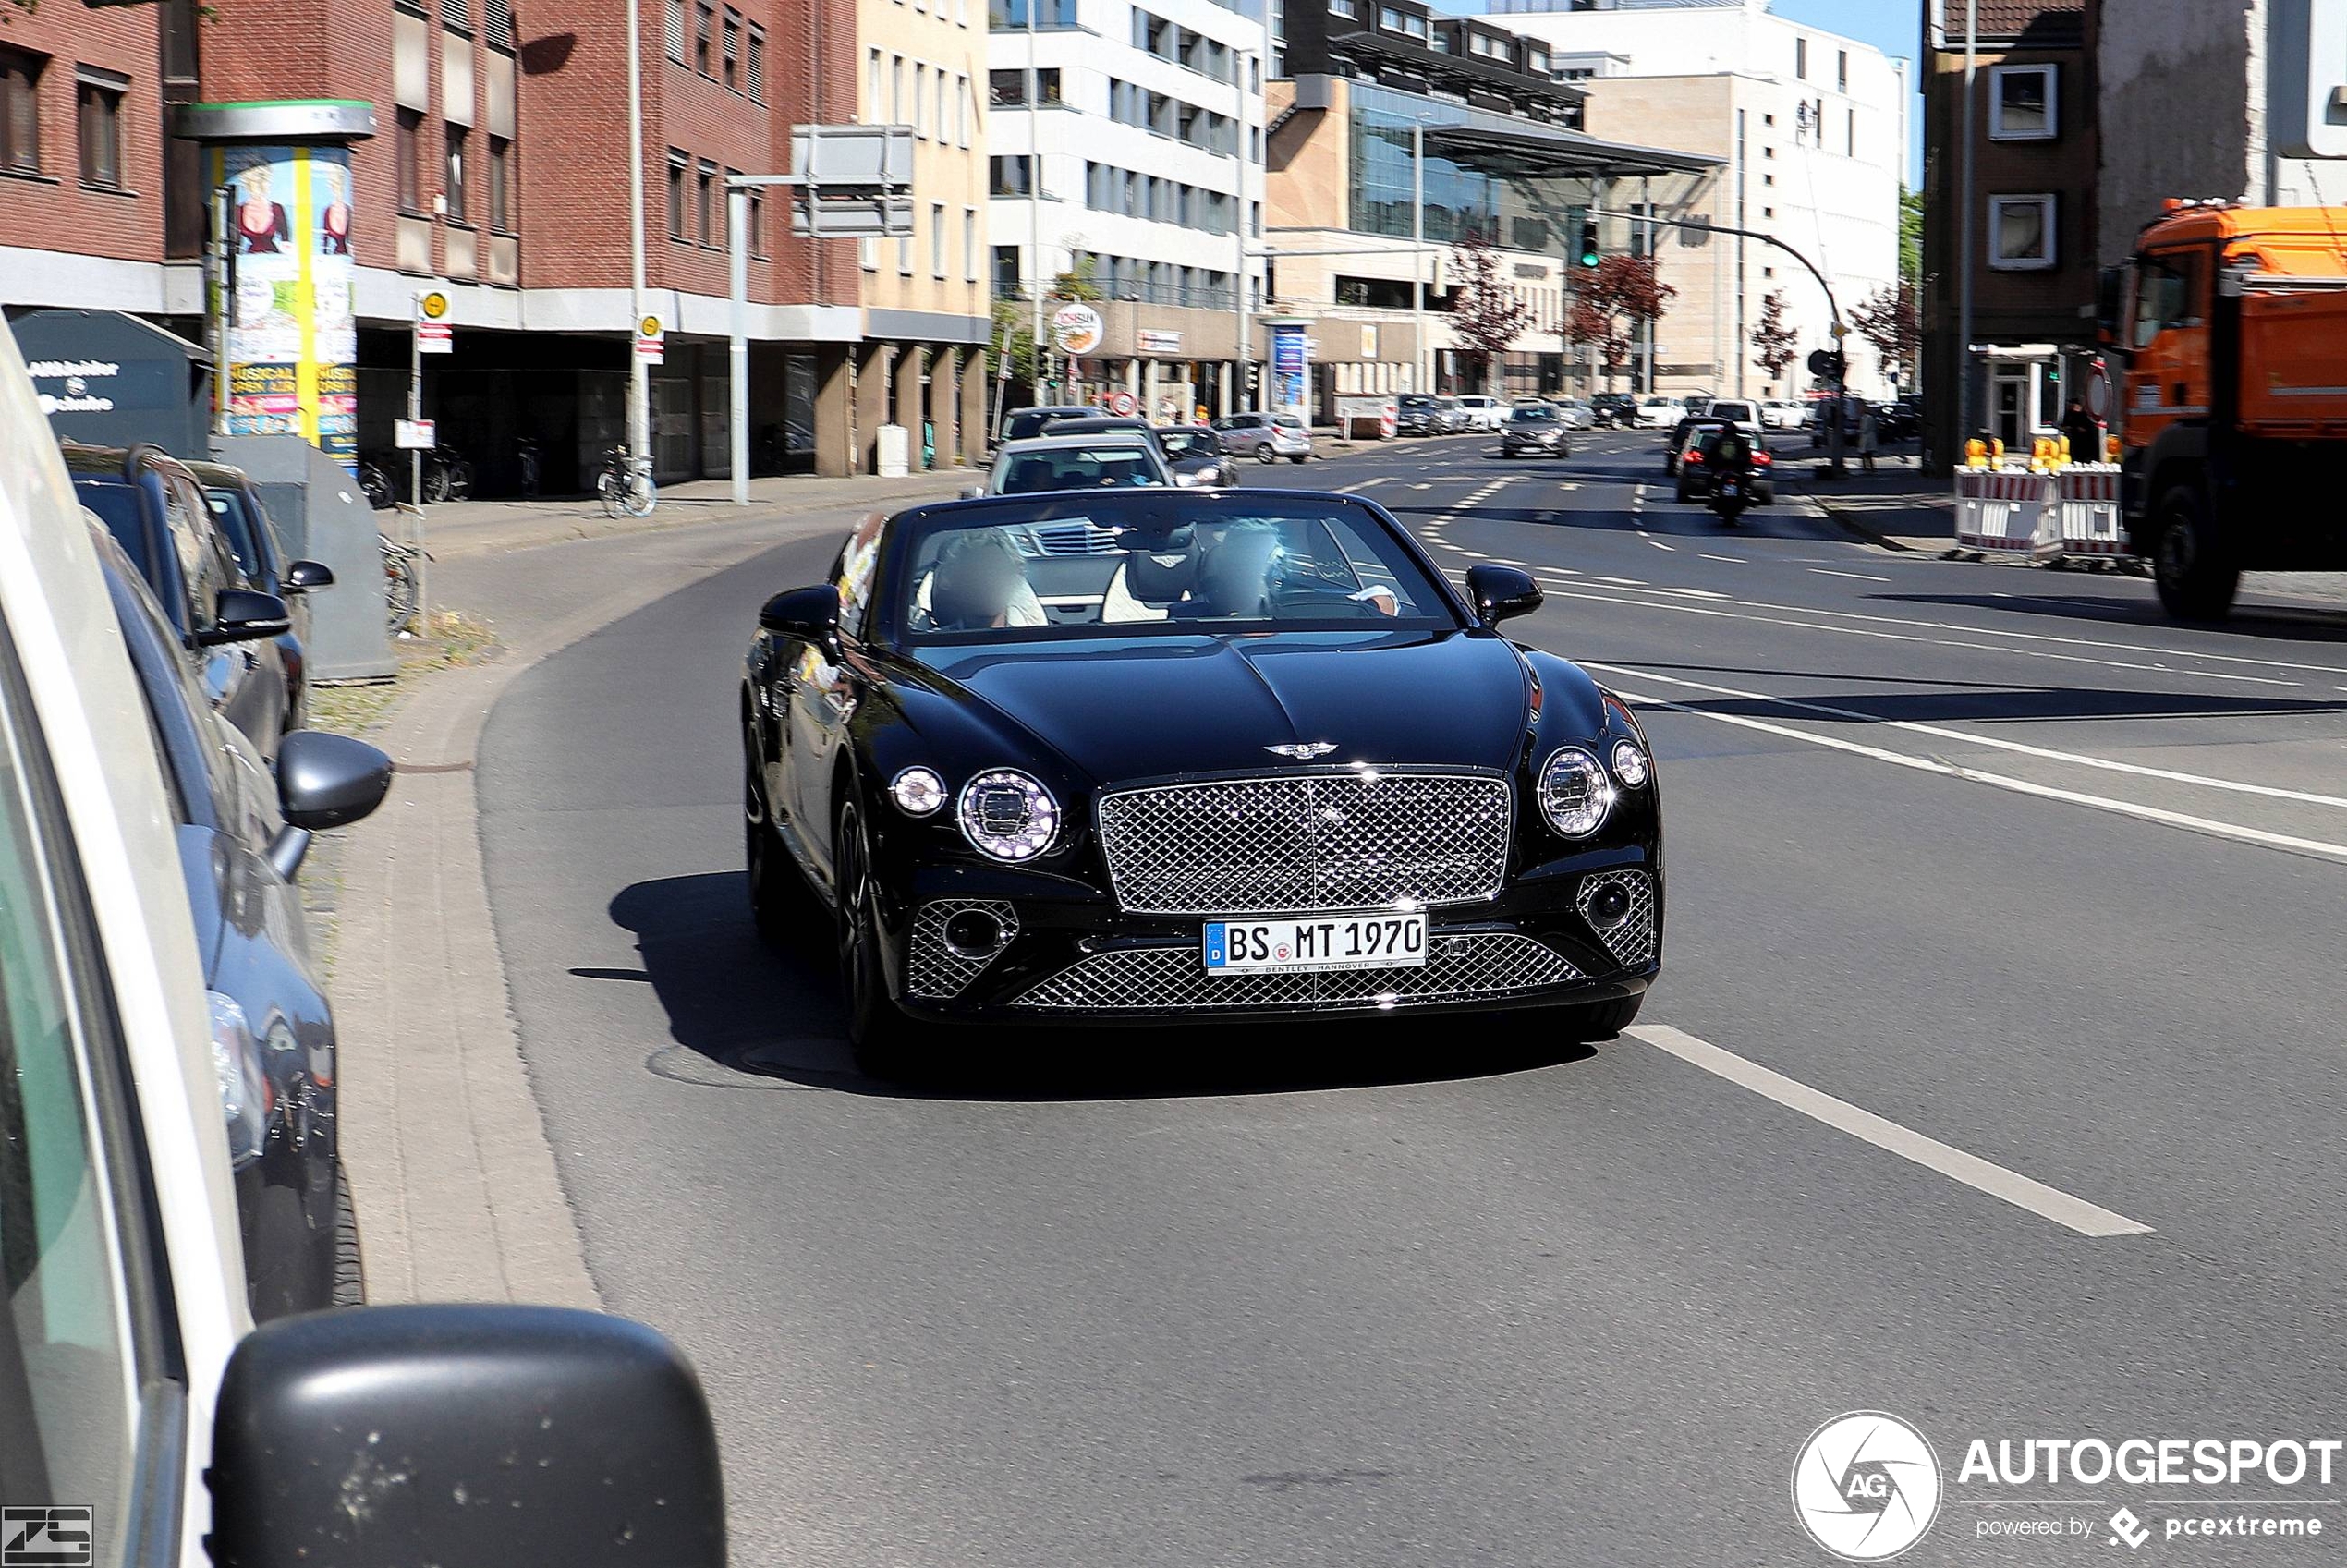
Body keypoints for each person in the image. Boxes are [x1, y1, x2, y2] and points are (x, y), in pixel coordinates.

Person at [926, 531, 1031, 630]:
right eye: (975, 571)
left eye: (998, 570)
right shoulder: (934, 643)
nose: (988, 582)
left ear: (1015, 579)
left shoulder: (1034, 640)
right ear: (948, 579)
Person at [2060, 398, 2099, 463]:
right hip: (2075, 437)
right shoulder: (2070, 413)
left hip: (2085, 439)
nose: (2076, 408)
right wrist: (2074, 428)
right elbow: (2066, 424)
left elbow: (2089, 425)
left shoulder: (2084, 414)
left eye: (2077, 406)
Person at [1858, 403, 1879, 474]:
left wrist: (1859, 431)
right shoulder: (1867, 417)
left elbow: (1865, 429)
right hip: (1868, 437)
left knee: (1866, 453)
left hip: (1867, 438)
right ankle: (1869, 467)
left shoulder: (1867, 418)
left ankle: (1868, 467)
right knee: (1867, 454)